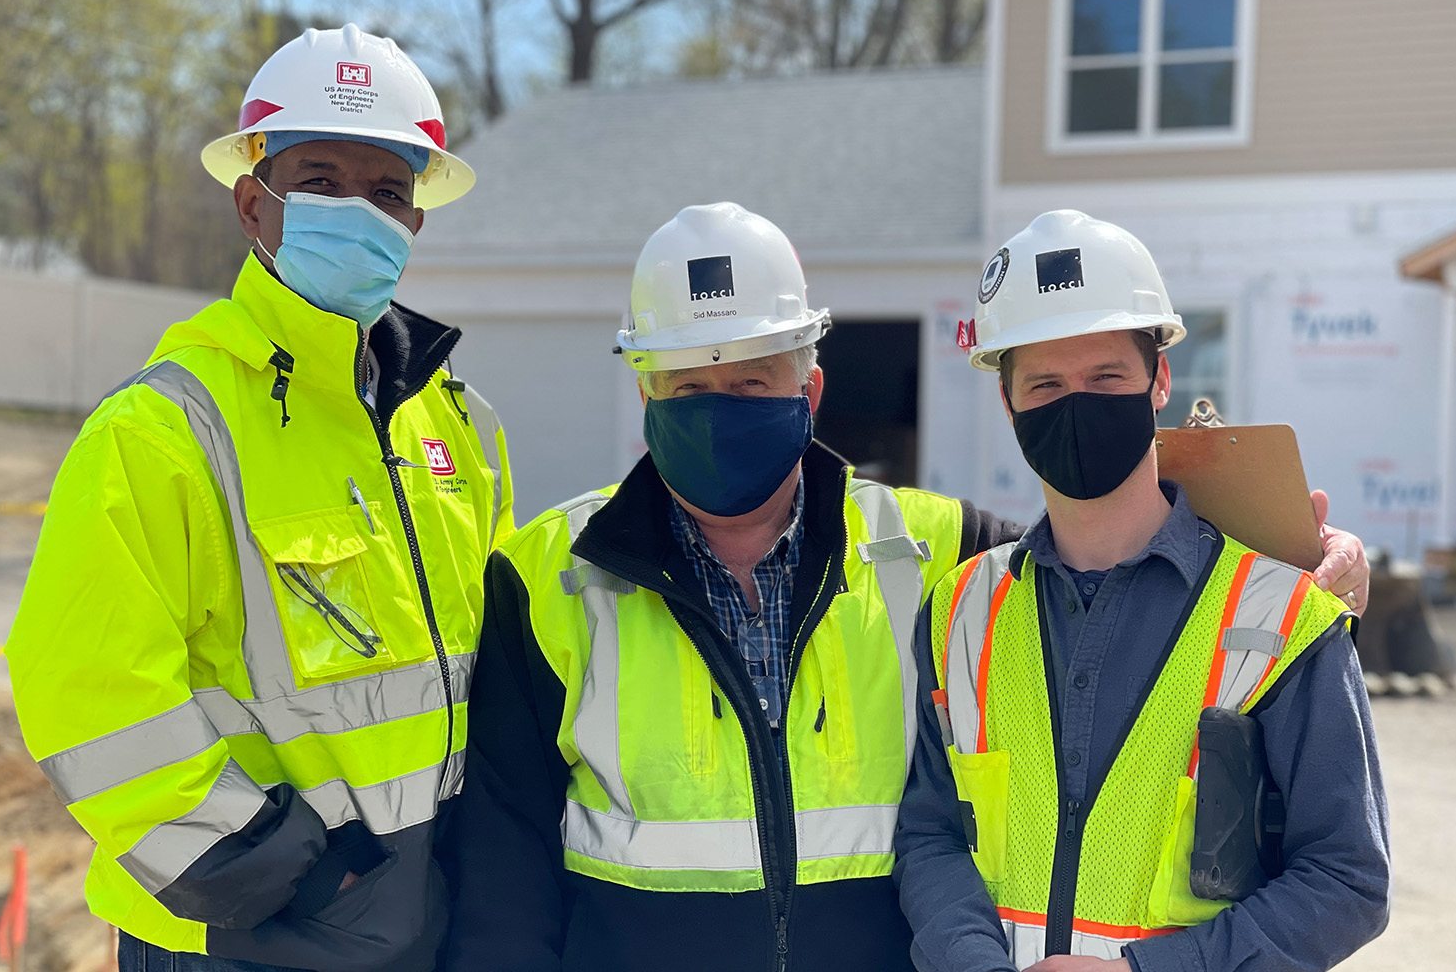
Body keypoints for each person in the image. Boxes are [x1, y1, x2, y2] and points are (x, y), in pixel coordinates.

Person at [443, 203, 1368, 972]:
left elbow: (1113, 547)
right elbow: (503, 860)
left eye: (754, 379)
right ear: (644, 396)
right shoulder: (544, 575)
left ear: (808, 394)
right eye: (689, 386)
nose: (720, 407)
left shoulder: (939, 554)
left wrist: (1296, 546)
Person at [7, 24, 511, 972]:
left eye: (388, 191)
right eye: (319, 181)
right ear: (252, 203)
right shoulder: (163, 430)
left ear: (415, 221)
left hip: (425, 916)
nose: (357, 210)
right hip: (242, 931)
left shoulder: (458, 428)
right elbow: (91, 700)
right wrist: (301, 883)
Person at [894, 210, 1389, 972]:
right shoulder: (960, 611)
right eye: (1047, 384)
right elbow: (929, 834)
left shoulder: (1286, 618)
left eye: (1106, 378)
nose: (1076, 403)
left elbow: (1347, 880)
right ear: (1007, 402)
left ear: (1160, 379)